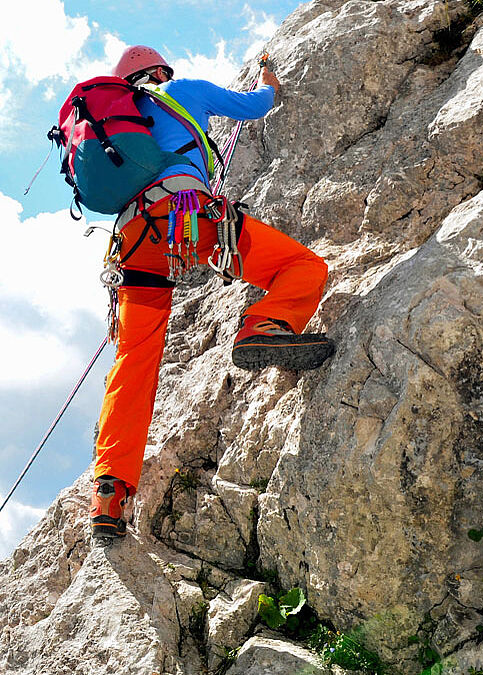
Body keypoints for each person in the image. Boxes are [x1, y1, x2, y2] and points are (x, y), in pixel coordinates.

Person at [90, 46, 334, 543]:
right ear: (159, 72)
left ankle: (109, 495)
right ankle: (263, 325)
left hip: (133, 243)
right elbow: (256, 105)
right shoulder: (182, 91)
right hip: (187, 216)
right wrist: (268, 78)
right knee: (303, 267)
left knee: (133, 365)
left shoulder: (111, 127)